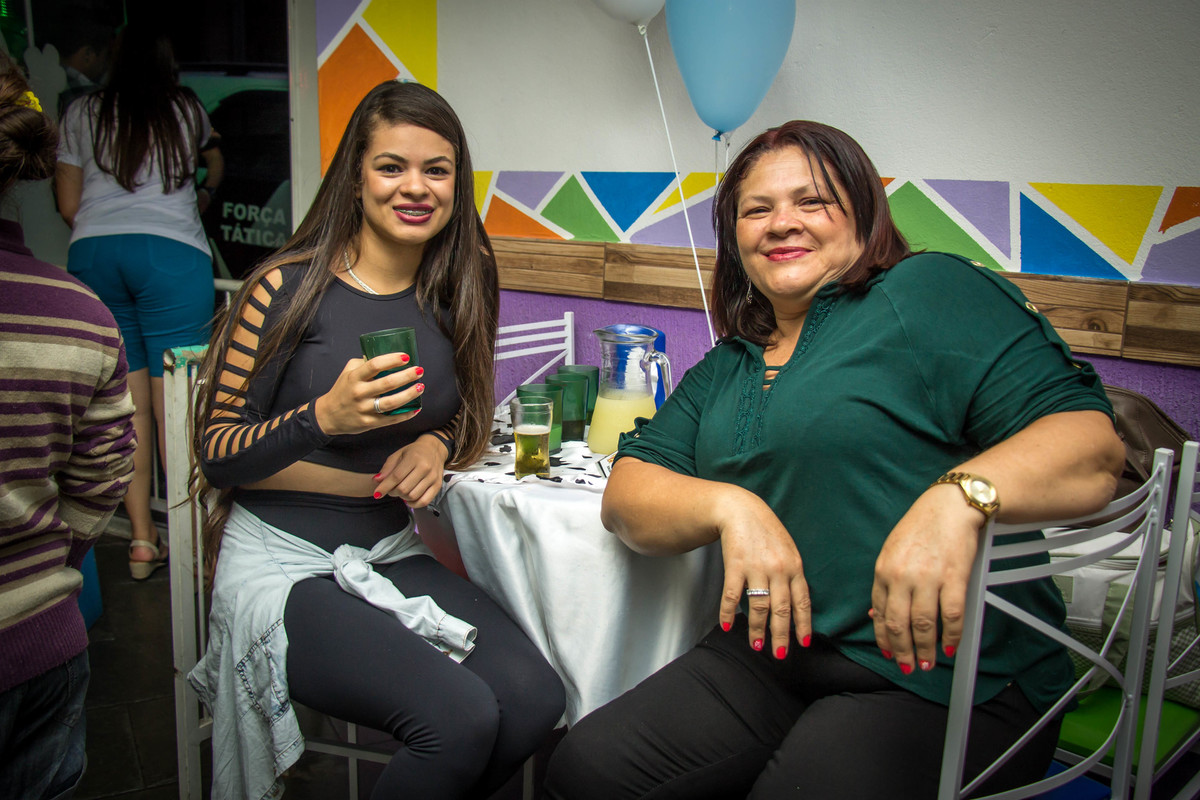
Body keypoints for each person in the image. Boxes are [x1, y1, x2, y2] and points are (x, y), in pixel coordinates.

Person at [543, 121, 1126, 799]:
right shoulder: (730, 364)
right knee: (584, 769)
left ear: (862, 215)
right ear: (734, 238)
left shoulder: (929, 292)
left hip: (946, 674)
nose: (780, 223)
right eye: (756, 210)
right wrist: (732, 506)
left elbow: (1092, 448)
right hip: (769, 657)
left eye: (812, 201)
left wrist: (958, 498)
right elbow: (627, 498)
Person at [186, 80, 565, 800]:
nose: (415, 187)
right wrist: (320, 418)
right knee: (458, 719)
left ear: (457, 183)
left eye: (436, 169)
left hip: (388, 548)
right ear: (356, 178)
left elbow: (469, 411)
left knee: (534, 699)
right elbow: (217, 454)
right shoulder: (284, 287)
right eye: (392, 166)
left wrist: (435, 445)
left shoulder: (464, 281)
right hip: (282, 563)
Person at [0, 62, 136, 800]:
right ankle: (146, 543)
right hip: (44, 644)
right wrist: (47, 565)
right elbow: (104, 472)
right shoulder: (77, 315)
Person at [54, 23, 223, 580]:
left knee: (126, 407)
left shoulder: (82, 112)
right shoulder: (185, 108)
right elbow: (215, 161)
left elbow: (68, 203)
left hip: (96, 253)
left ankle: (143, 542)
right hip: (171, 252)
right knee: (178, 399)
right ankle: (193, 544)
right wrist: (202, 194)